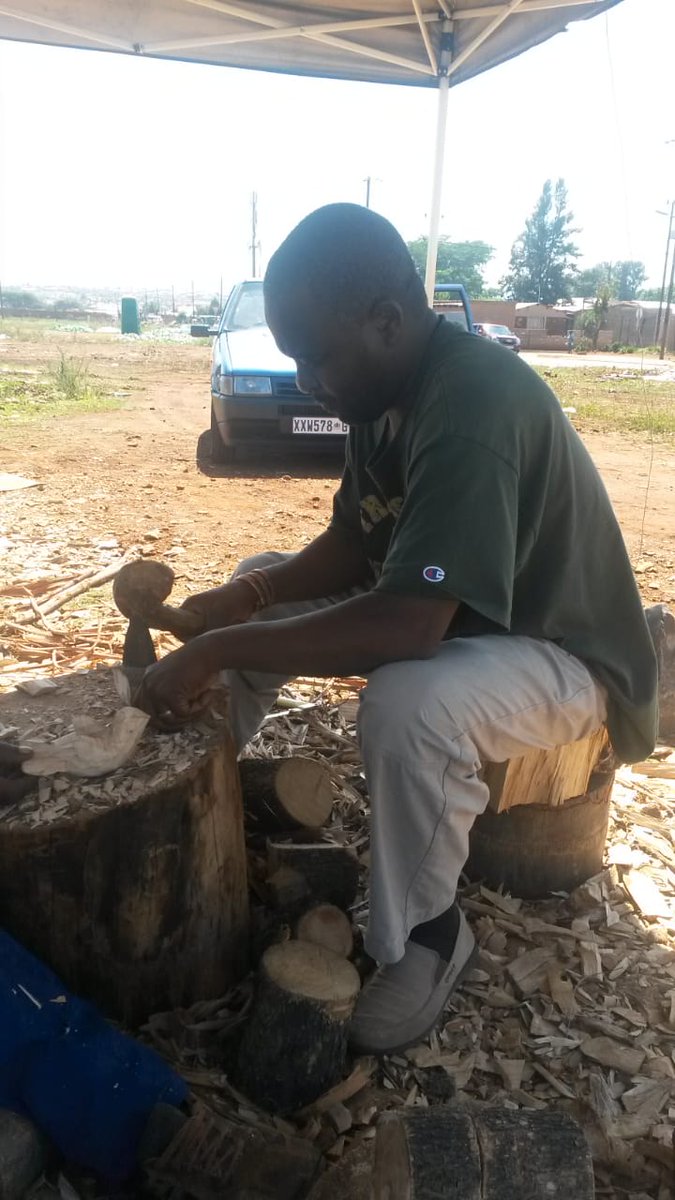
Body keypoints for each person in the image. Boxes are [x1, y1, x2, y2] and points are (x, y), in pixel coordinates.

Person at [138, 204, 657, 1056]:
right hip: (470, 619)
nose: (307, 379)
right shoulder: (378, 390)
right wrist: (252, 598)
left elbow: (409, 625)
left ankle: (426, 934)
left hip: (562, 653)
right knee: (248, 583)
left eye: (315, 356)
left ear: (386, 321)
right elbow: (357, 538)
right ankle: (200, 805)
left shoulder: (470, 403)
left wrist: (219, 646)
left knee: (407, 702)